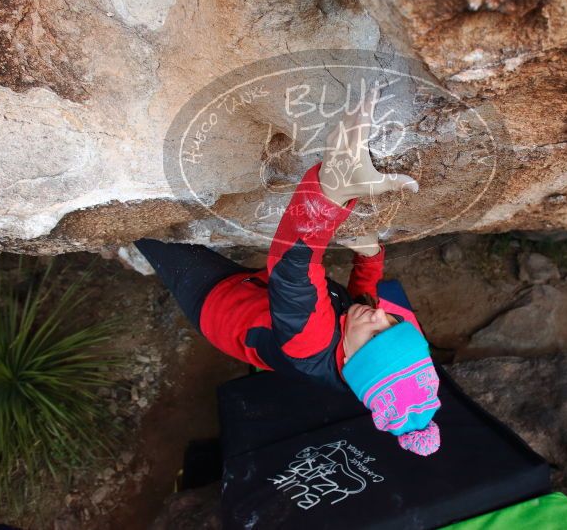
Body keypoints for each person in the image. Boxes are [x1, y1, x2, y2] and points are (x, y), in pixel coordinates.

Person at [136, 94, 442, 456]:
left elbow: (293, 270)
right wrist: (371, 259)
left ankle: (128, 239)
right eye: (393, 324)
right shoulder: (357, 343)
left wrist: (328, 197)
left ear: (353, 361)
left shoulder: (310, 346)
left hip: (216, 304)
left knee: (150, 232)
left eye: (377, 334)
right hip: (256, 295)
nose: (380, 316)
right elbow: (364, 301)